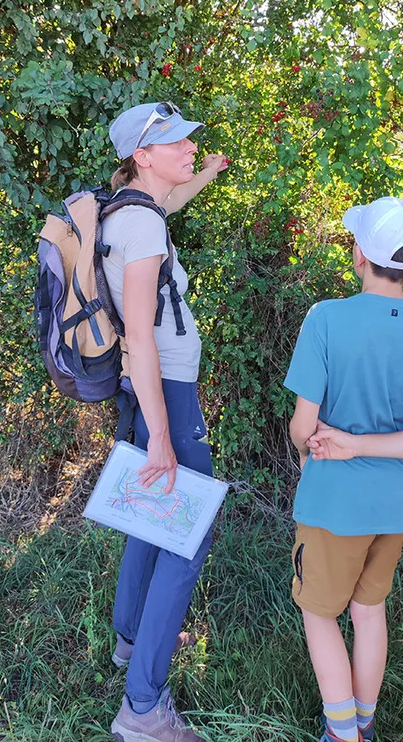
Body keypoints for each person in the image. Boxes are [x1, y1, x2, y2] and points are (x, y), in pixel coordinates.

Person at [284, 197, 403, 742]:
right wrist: (368, 446)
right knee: (369, 610)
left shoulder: (326, 319)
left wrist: (336, 445)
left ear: (359, 253)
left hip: (334, 504)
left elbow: (302, 427)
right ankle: (363, 722)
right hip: (394, 506)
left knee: (319, 614)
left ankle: (342, 733)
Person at [102, 101, 228, 742]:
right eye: (175, 142)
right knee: (186, 531)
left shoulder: (127, 209)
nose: (187, 146)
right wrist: (160, 438)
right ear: (143, 157)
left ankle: (129, 640)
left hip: (151, 391)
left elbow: (167, 207)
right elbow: (143, 337)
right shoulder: (143, 229)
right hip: (167, 395)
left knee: (150, 521)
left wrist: (205, 171)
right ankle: (143, 707)